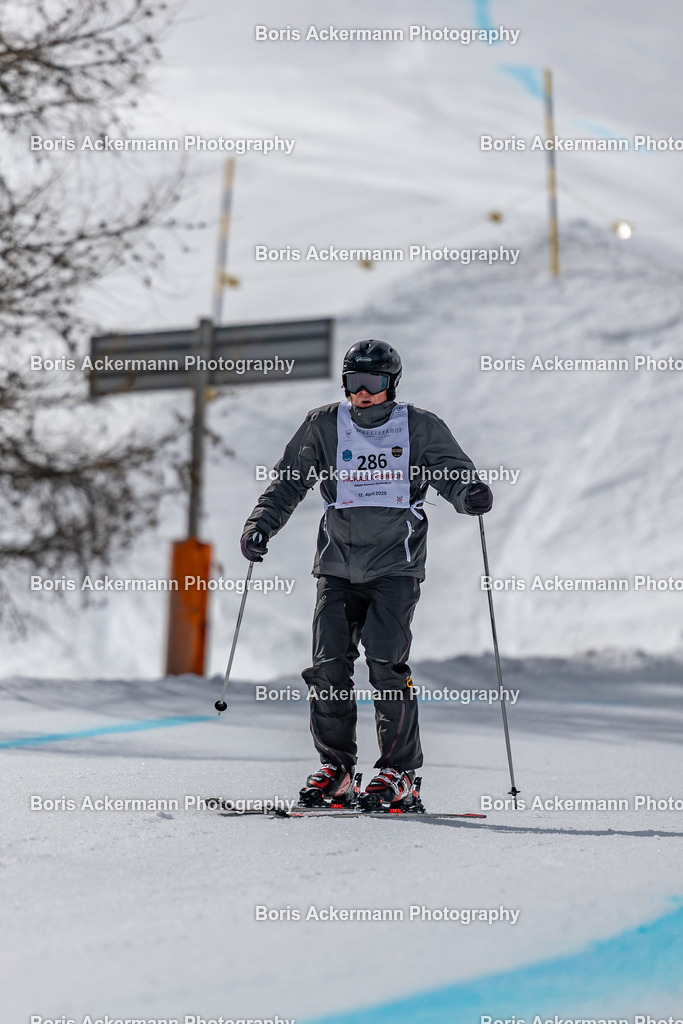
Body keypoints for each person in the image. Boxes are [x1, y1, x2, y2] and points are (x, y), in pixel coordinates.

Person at [240, 340, 493, 811]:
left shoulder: (418, 426)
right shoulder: (324, 425)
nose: (363, 392)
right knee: (328, 668)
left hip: (395, 566)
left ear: (390, 384)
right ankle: (336, 769)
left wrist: (469, 493)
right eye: (354, 382)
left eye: (373, 382)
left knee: (385, 664)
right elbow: (289, 482)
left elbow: (451, 472)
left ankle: (400, 773)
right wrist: (260, 525)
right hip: (337, 565)